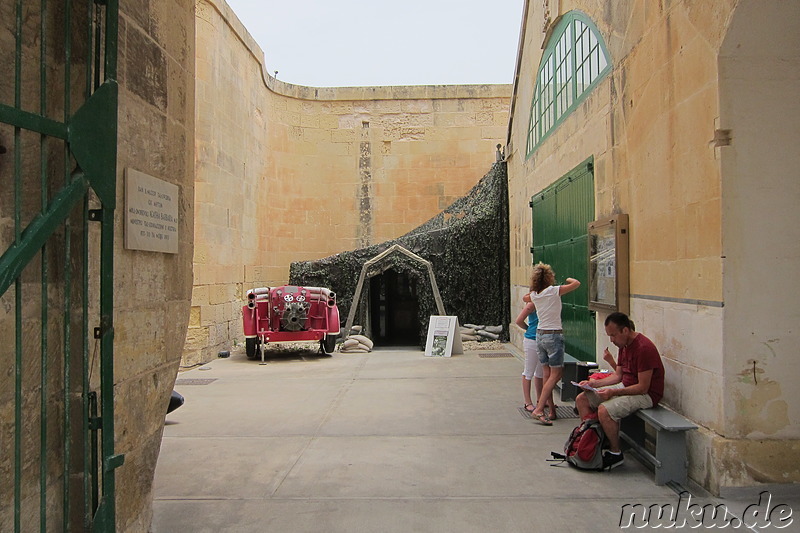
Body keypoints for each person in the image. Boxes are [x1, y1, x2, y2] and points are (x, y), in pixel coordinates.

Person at [575, 312, 665, 470]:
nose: (611, 340)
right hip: (627, 385)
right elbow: (618, 376)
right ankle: (591, 438)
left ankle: (615, 453)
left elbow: (643, 387)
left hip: (646, 394)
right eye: (609, 336)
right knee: (582, 399)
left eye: (613, 335)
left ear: (625, 330)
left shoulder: (644, 348)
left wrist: (612, 393)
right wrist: (594, 384)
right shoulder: (624, 345)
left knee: (605, 410)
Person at [523, 262, 580, 425]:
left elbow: (524, 297)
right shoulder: (554, 291)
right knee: (556, 374)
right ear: (549, 277)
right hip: (553, 335)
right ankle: (540, 408)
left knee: (547, 374)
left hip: (539, 335)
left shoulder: (535, 295)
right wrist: (568, 278)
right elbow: (576, 283)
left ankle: (552, 411)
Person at [514, 302, 555, 418]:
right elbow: (519, 320)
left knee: (540, 372)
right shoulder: (532, 304)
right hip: (532, 340)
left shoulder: (546, 303)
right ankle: (528, 402)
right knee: (529, 371)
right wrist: (529, 329)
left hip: (543, 339)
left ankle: (540, 400)